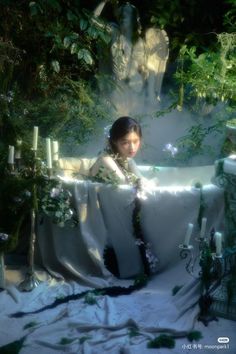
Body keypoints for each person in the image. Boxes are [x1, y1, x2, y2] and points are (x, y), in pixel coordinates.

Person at [89, 116, 143, 184]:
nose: (132, 147)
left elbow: (141, 179)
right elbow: (125, 184)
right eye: (125, 143)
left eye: (135, 141)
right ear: (114, 141)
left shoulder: (128, 159)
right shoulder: (106, 159)